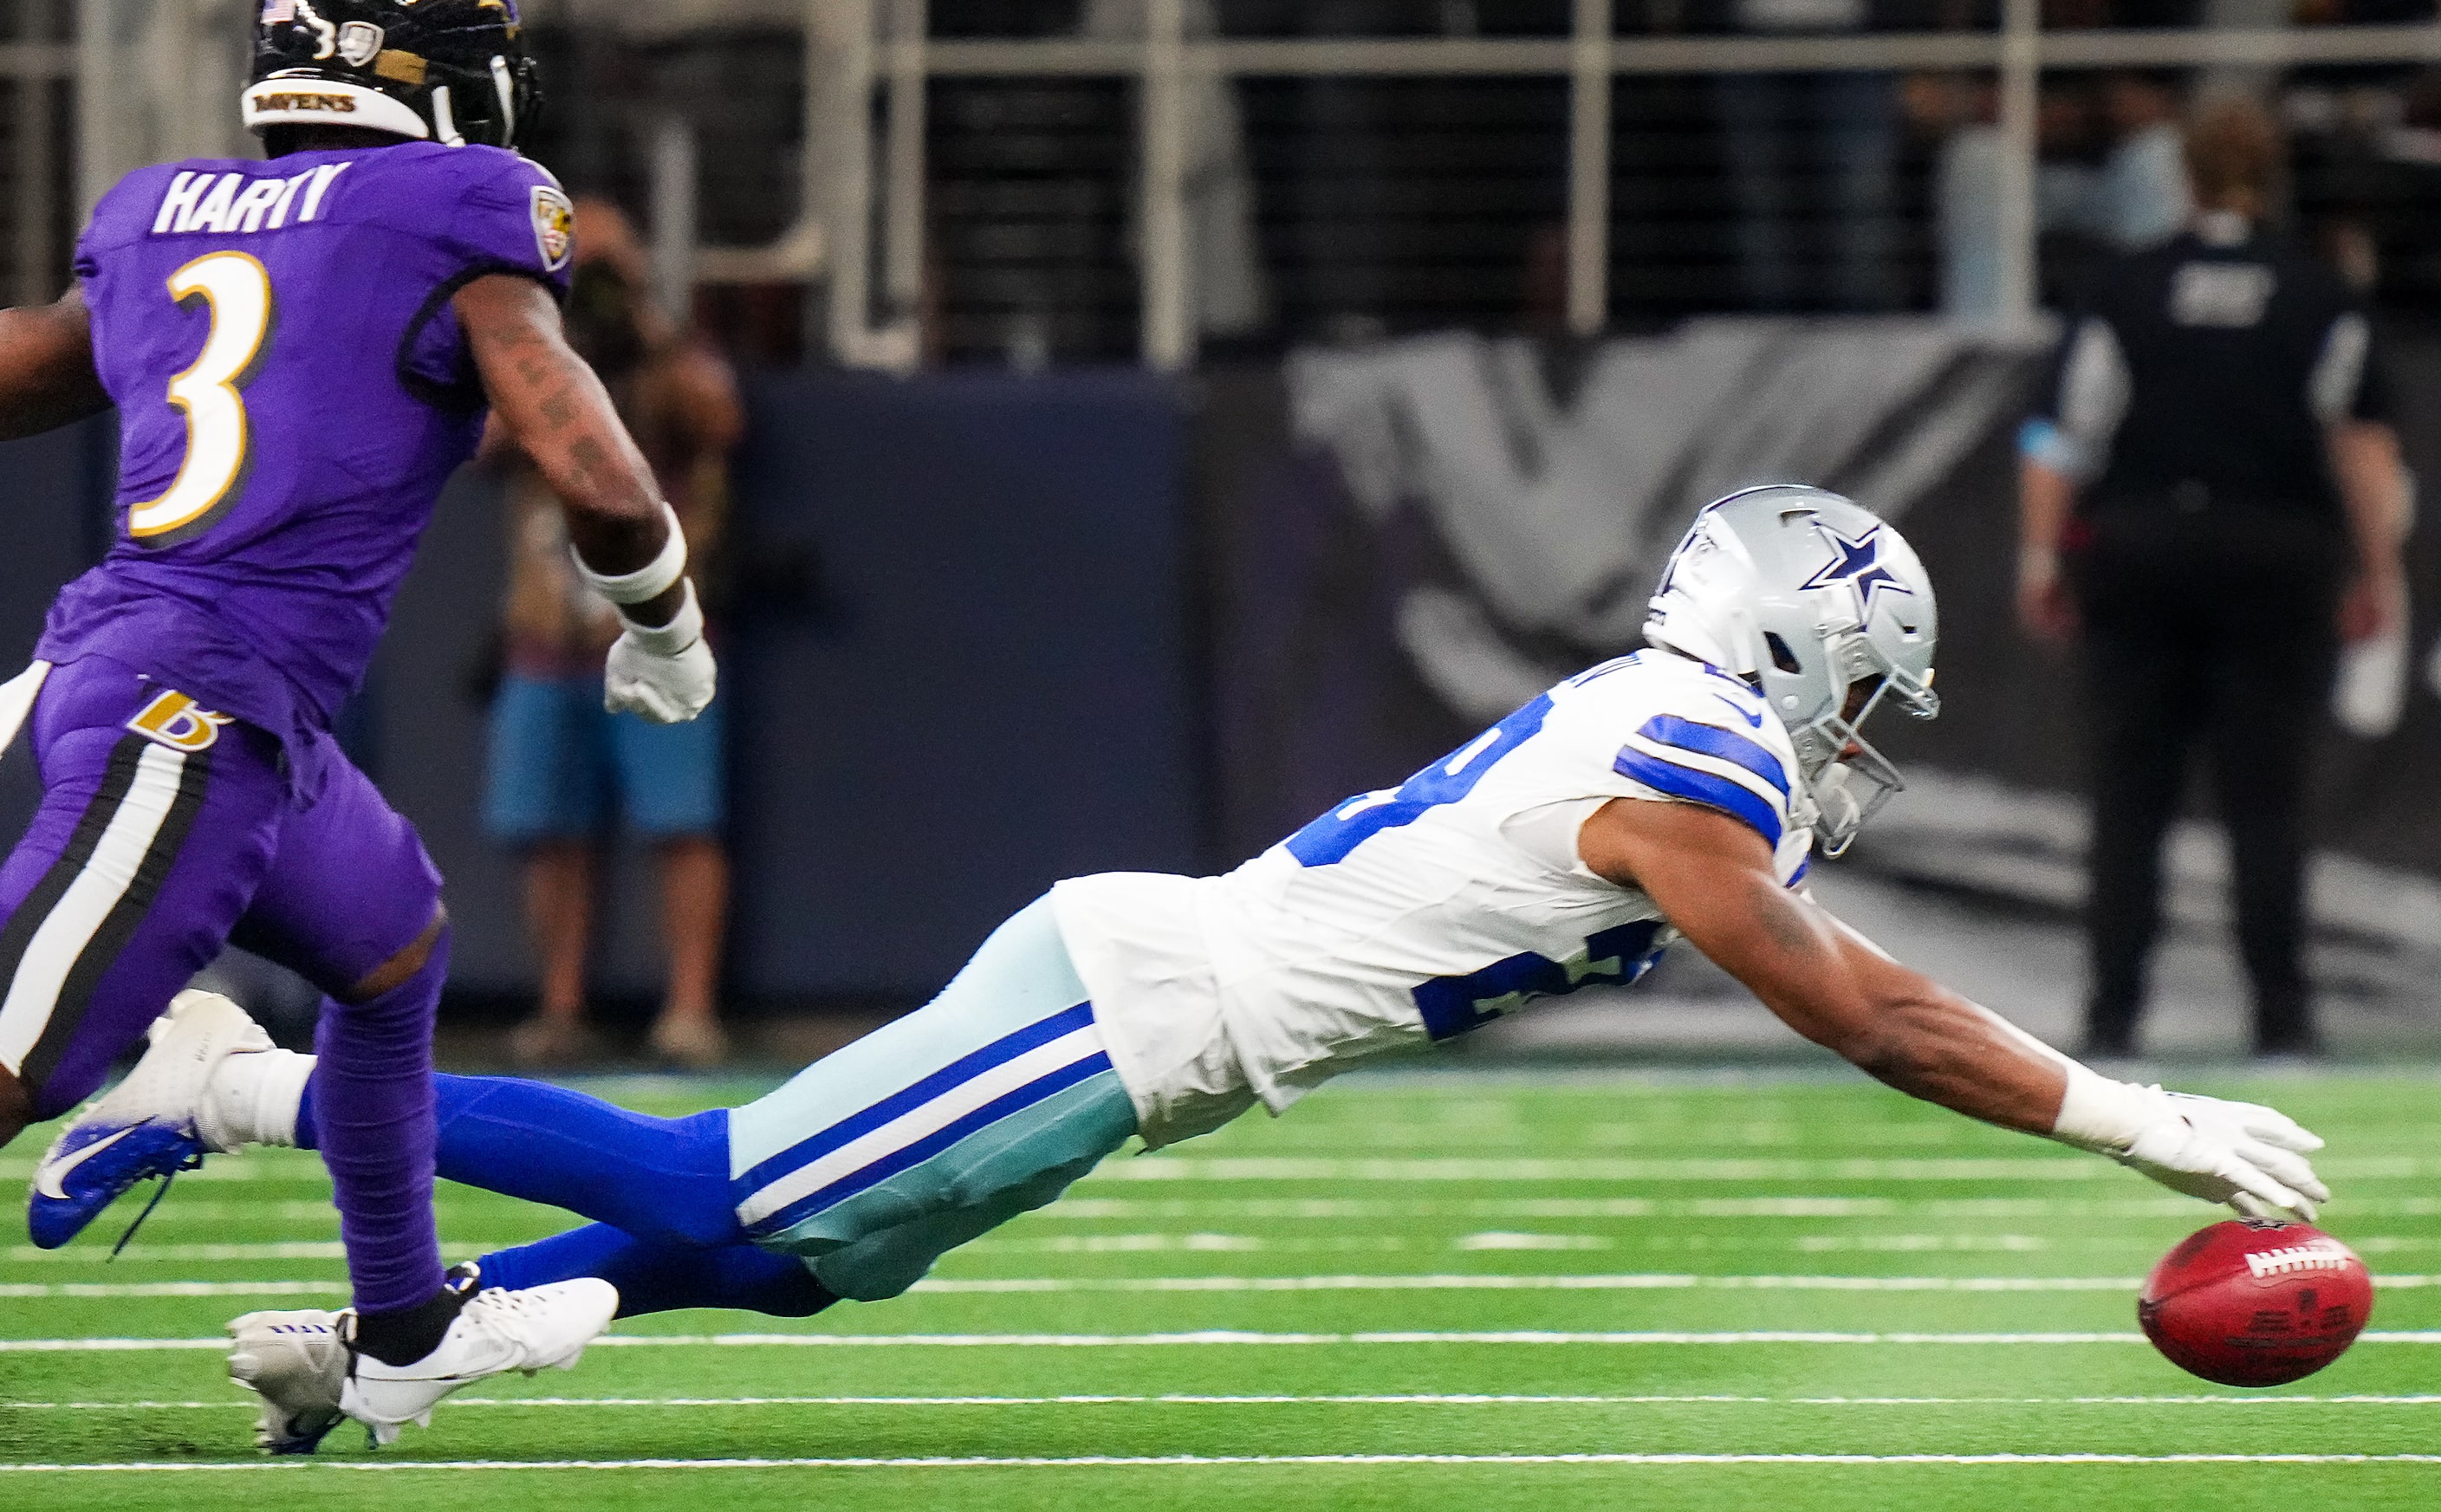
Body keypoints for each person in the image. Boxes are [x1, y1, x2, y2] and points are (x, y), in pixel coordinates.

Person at [49, 487, 2330, 1453]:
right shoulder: (1685, 764)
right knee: (719, 1180)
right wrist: (2116, 1110)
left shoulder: (1676, 727)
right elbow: (1859, 1004)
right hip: (1136, 998)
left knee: (817, 1262)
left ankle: (419, 1342)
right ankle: (231, 1082)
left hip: (1156, 1013)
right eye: (1860, 691)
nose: (1858, 741)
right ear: (1789, 653)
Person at [2, 0, 720, 1440]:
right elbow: (593, 473)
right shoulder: (458, 207)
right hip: (184, 707)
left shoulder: (160, 213)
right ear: (449, 74)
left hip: (230, 708)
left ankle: (400, 1327)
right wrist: (664, 625)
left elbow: (26, 371)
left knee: (389, 948)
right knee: (16, 1057)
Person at [2017, 98, 2410, 1058]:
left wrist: (2040, 552)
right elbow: (2360, 446)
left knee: (2129, 798)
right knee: (2267, 802)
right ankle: (2282, 1018)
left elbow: (2057, 435)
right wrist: (2380, 571)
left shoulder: (2125, 288)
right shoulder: (2316, 294)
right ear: (2269, 178)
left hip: (2141, 547)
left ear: (2184, 178)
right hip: (2273, 554)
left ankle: (2113, 1018)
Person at [484, 197, 741, 1071]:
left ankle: (690, 1009)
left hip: (658, 628)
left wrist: (642, 324)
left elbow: (720, 420)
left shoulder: (673, 355)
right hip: (546, 630)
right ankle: (561, 1006)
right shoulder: (525, 352)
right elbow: (478, 445)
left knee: (683, 822)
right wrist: (546, 338)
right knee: (549, 827)